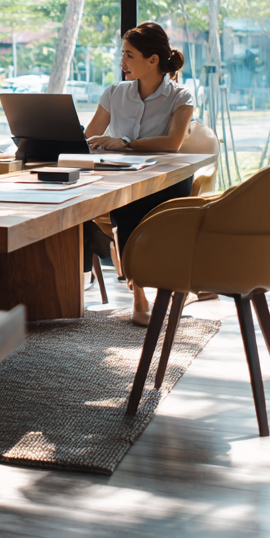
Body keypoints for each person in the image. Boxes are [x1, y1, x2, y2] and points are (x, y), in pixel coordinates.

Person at [85, 22, 195, 326]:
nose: (122, 61)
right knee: (117, 203)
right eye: (122, 54)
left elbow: (173, 143)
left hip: (166, 180)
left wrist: (125, 143)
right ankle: (139, 291)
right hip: (122, 177)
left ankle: (143, 288)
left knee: (128, 207)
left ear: (153, 60)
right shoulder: (114, 93)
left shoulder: (181, 97)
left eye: (129, 55)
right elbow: (89, 137)